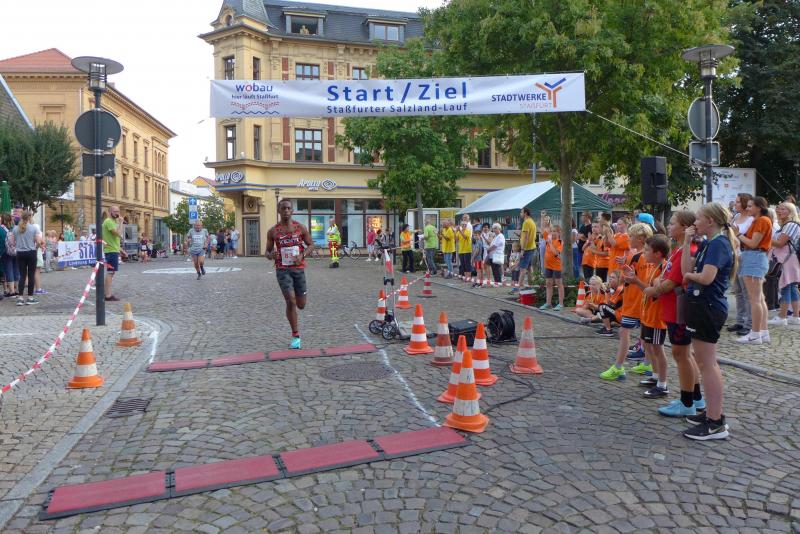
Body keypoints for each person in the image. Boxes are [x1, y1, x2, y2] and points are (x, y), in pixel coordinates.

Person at [682, 202, 736, 440]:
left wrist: (689, 276)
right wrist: (686, 242)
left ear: (710, 221)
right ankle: (713, 415)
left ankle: (715, 423)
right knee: (704, 361)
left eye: (698, 218)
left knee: (707, 364)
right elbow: (686, 268)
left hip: (708, 307)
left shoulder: (719, 244)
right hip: (701, 306)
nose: (695, 223)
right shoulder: (708, 243)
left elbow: (705, 277)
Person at [647, 211, 705, 417]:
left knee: (681, 355)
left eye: (673, 223)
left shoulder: (686, 250)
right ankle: (695, 398)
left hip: (679, 310)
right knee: (684, 355)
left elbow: (670, 282)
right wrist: (659, 284)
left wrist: (654, 289)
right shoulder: (678, 249)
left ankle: (686, 402)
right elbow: (663, 277)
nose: (669, 226)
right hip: (673, 308)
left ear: (685, 227)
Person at [599, 222, 653, 381]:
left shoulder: (635, 256)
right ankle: (647, 363)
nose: (628, 239)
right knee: (645, 334)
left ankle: (618, 367)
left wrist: (623, 266)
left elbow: (625, 279)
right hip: (642, 300)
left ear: (640, 239)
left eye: (631, 236)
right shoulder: (647, 255)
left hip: (633, 301)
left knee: (624, 332)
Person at [266, 199, 314, 350]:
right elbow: (266, 252)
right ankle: (295, 335)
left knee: (301, 305)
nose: (286, 211)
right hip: (282, 270)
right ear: (279, 211)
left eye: (288, 208)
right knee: (291, 301)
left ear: (292, 211)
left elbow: (311, 245)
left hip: (298, 269)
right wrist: (271, 255)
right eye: (283, 208)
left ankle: (295, 331)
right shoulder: (273, 231)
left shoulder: (300, 228)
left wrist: (302, 255)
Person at [632, 234, 670, 399]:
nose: (644, 253)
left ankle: (662, 384)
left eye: (647, 250)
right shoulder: (653, 266)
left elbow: (654, 291)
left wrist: (636, 282)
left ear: (657, 253)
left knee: (657, 349)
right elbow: (649, 289)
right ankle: (655, 376)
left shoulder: (664, 268)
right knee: (649, 347)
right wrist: (636, 281)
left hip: (657, 316)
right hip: (648, 314)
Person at [734, 196, 772, 344]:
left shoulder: (761, 221)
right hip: (755, 258)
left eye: (750, 206)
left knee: (755, 299)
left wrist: (738, 234)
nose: (748, 208)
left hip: (754, 258)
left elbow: (753, 243)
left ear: (759, 207)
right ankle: (763, 332)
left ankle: (755, 334)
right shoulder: (761, 220)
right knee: (759, 298)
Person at [768, 202, 800, 325]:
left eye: (783, 209)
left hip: (787, 260)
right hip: (789, 259)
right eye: (779, 208)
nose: (779, 211)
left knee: (786, 287)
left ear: (791, 212)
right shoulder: (787, 225)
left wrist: (765, 238)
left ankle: (782, 317)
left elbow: (780, 243)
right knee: (791, 288)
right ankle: (795, 316)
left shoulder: (791, 224)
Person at [727, 193, 754, 336]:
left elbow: (749, 239)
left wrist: (736, 234)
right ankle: (740, 320)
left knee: (746, 291)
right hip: (734, 255)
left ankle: (749, 323)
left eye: (738, 202)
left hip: (744, 256)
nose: (735, 204)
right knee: (737, 290)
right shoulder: (736, 216)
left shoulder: (751, 219)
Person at [12, 210, 43, 305]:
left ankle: (20, 298)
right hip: (31, 252)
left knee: (22, 275)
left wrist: (19, 245)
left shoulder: (15, 228)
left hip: (20, 253)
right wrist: (36, 248)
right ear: (29, 217)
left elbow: (12, 242)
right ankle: (30, 297)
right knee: (31, 275)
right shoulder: (33, 228)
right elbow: (39, 242)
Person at [101, 206, 124, 301]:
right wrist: (121, 223)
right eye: (115, 211)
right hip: (110, 251)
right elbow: (117, 234)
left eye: (118, 211)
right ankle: (108, 295)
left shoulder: (113, 222)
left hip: (113, 249)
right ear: (110, 212)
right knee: (110, 272)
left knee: (111, 272)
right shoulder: (109, 221)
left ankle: (107, 293)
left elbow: (115, 239)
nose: (117, 213)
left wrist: (121, 250)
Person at [539, 224, 564, 310]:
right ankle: (548, 303)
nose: (552, 233)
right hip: (548, 265)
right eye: (552, 231)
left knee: (559, 284)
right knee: (548, 283)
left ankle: (561, 304)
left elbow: (556, 253)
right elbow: (542, 230)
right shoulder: (548, 238)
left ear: (559, 233)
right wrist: (544, 220)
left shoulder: (560, 241)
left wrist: (550, 243)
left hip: (556, 265)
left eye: (555, 231)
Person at [516, 207, 538, 290]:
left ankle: (519, 287)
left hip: (527, 248)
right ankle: (531, 285)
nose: (520, 214)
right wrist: (520, 235)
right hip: (531, 247)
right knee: (529, 268)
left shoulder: (526, 222)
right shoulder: (532, 221)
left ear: (525, 213)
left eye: (521, 212)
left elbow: (526, 237)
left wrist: (522, 250)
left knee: (522, 268)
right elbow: (530, 236)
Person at [596, 270, 623, 336]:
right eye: (610, 277)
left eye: (613, 277)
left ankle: (608, 330)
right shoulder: (618, 288)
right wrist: (608, 290)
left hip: (622, 316)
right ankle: (608, 326)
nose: (610, 279)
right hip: (622, 314)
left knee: (602, 307)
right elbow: (609, 304)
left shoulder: (620, 288)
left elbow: (609, 304)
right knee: (604, 308)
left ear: (619, 279)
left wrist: (607, 291)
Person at [456, 215, 473, 279]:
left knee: (467, 264)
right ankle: (465, 277)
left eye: (464, 225)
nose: (463, 226)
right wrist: (455, 231)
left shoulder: (468, 231)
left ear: (466, 226)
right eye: (462, 225)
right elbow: (456, 239)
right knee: (463, 264)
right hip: (461, 250)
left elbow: (465, 237)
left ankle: (469, 277)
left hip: (467, 249)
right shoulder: (459, 232)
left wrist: (460, 231)